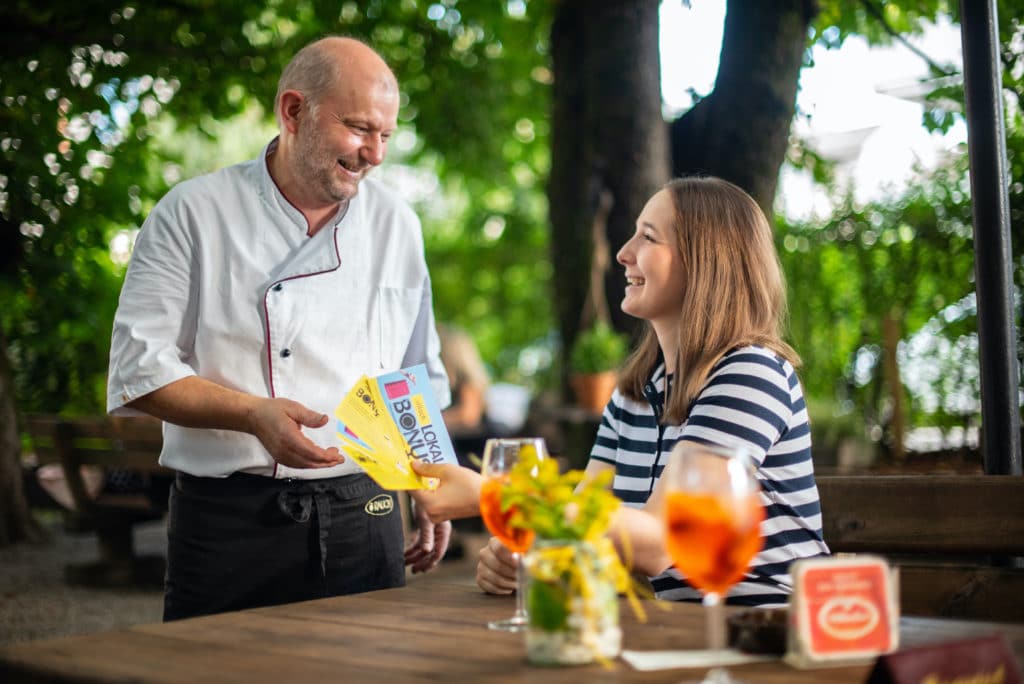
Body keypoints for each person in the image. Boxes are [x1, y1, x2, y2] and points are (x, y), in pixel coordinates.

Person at [107, 37, 451, 621]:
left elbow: (411, 376)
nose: (375, 153)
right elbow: (140, 373)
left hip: (363, 508)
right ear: (293, 111)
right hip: (227, 519)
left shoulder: (396, 224)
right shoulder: (191, 213)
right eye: (359, 128)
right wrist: (251, 414)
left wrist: (432, 484)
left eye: (386, 135)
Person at [474, 176, 830, 606]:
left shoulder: (751, 374)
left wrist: (501, 497)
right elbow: (581, 533)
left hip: (767, 632)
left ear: (705, 261)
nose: (623, 254)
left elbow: (663, 543)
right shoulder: (634, 395)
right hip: (671, 634)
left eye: (648, 237)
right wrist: (525, 556)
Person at [437, 323, 490, 434]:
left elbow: (468, 417)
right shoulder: (463, 381)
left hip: (469, 445)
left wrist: (428, 421)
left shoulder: (468, 382)